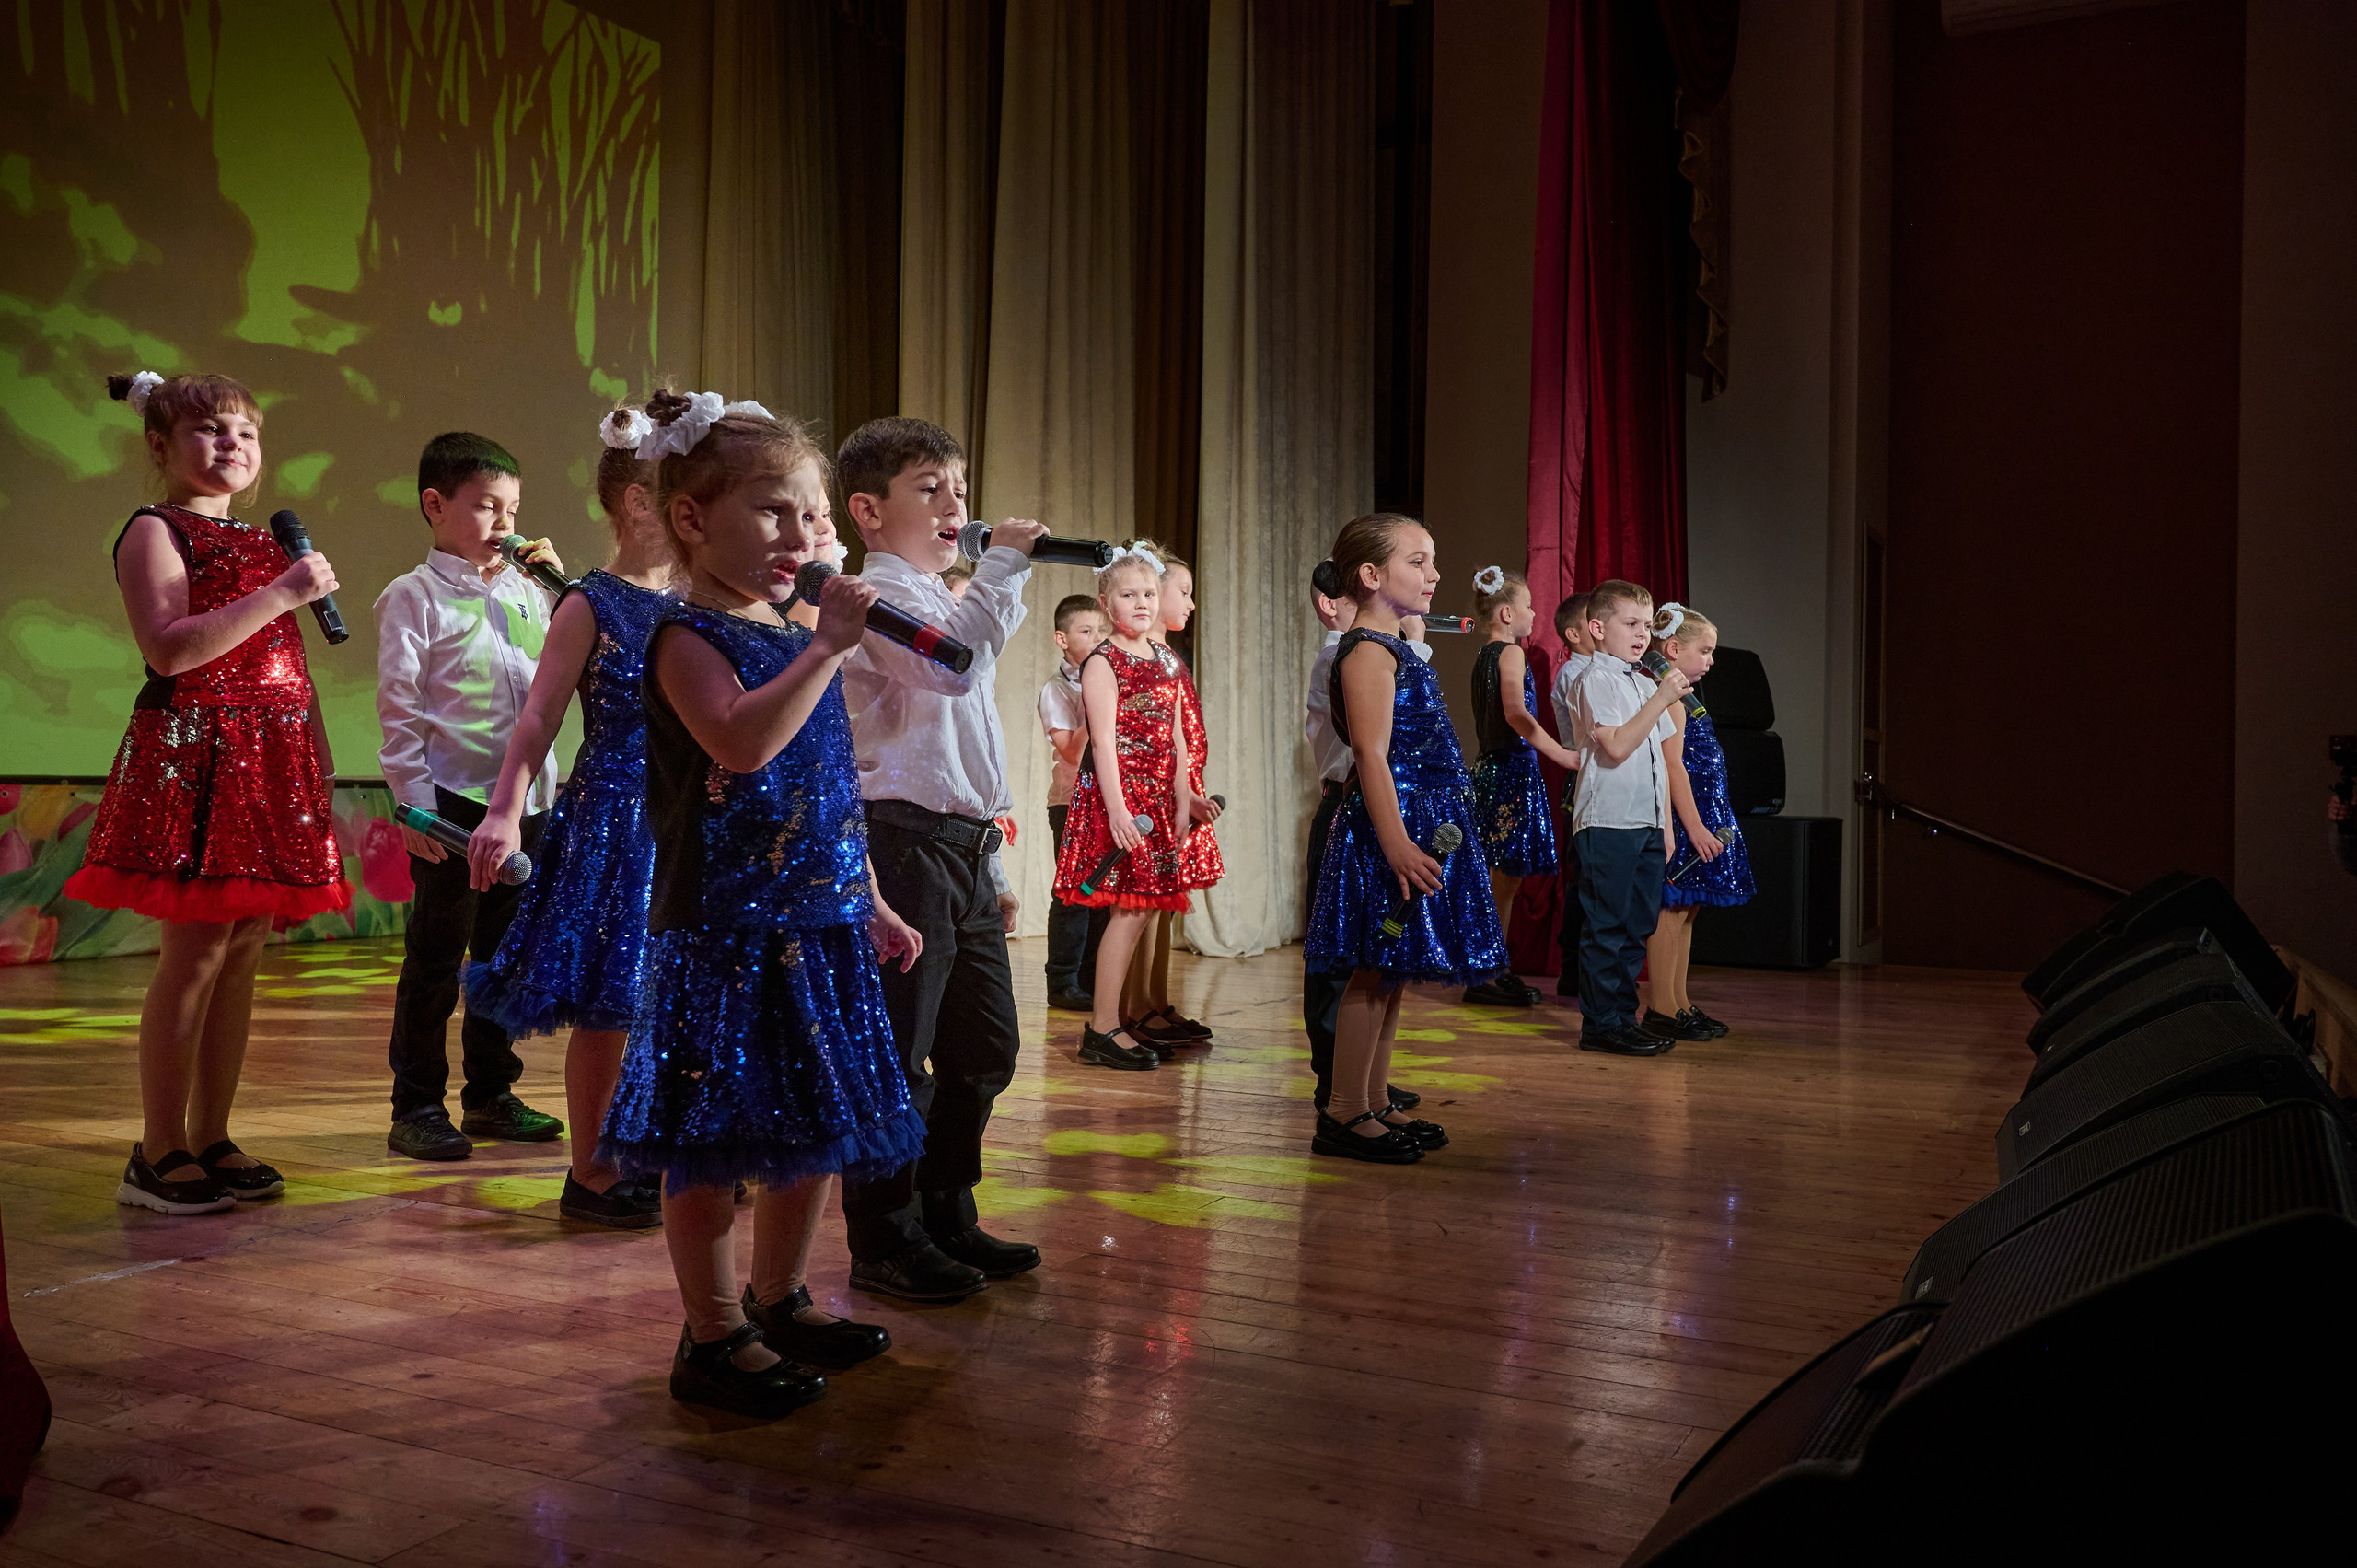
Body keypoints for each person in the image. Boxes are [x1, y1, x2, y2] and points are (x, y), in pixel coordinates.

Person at [598, 390, 921, 1420]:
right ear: (692, 520)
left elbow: (830, 782)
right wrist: (825, 648)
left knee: (812, 1121)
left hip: (817, 915)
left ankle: (779, 1295)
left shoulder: (791, 631)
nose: (802, 536)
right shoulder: (683, 637)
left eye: (811, 515)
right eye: (776, 511)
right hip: (723, 928)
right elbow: (739, 742)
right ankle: (710, 1330)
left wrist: (867, 896)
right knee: (711, 1141)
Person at [69, 371, 350, 1214]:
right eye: (210, 431)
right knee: (193, 955)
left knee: (243, 952)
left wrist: (320, 755)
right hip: (196, 752)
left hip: (270, 756)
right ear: (160, 446)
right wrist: (281, 594)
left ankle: (212, 1134)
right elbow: (171, 650)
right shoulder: (156, 530)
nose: (232, 445)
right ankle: (156, 1150)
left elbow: (284, 663)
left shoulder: (272, 545)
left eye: (246, 434)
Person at [835, 417, 1048, 1301]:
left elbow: (971, 744)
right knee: (902, 1051)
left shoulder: (948, 595)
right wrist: (1002, 565)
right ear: (868, 511)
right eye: (931, 488)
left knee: (985, 1043)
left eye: (960, 487)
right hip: (902, 842)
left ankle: (945, 1208)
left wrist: (991, 865)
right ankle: (884, 1235)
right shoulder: (870, 598)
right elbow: (952, 670)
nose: (956, 504)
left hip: (960, 849)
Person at [459, 406, 676, 1227]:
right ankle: (590, 1172)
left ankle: (656, 1147)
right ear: (639, 504)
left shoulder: (699, 604)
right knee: (610, 999)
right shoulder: (591, 600)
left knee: (671, 993)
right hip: (616, 815)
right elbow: (539, 717)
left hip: (685, 818)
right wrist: (506, 814)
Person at [375, 433, 569, 1160]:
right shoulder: (412, 596)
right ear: (435, 505)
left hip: (524, 805)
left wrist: (561, 587)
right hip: (452, 803)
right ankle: (416, 1104)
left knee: (503, 957)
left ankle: (491, 1093)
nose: (506, 524)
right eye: (488, 506)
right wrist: (413, 800)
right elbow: (400, 707)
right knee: (436, 955)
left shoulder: (531, 592)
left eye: (514, 508)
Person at [1303, 514, 1499, 1163]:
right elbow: (1370, 754)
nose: (1434, 574)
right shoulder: (1363, 650)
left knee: (1390, 974)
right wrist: (1393, 844)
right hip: (1389, 828)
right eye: (1418, 561)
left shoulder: (1391, 647)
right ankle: (1342, 1111)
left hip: (1417, 821)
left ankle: (1374, 1097)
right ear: (1371, 574)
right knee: (1371, 967)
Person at [1052, 546, 1223, 1070]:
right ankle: (1102, 1026)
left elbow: (1173, 737)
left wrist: (1181, 798)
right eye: (1129, 595)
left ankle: (1124, 1019)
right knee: (1127, 911)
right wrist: (1119, 811)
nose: (1143, 603)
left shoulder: (1167, 659)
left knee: (1147, 906)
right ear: (1108, 605)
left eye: (1150, 593)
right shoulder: (1105, 661)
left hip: (1157, 797)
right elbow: (1102, 743)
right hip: (1119, 799)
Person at [1303, 576, 1425, 1116]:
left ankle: (1364, 1086)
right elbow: (1372, 748)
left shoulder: (1392, 652)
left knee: (1382, 957)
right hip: (1351, 806)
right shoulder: (1346, 654)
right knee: (1343, 960)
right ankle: (1339, 1087)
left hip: (1387, 808)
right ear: (1336, 605)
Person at [1567, 580, 1691, 1057]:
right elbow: (1616, 746)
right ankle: (1599, 1023)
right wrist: (1660, 699)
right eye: (1631, 623)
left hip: (1644, 822)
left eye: (1647, 624)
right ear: (1597, 628)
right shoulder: (1595, 679)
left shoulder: (1641, 681)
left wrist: (1664, 827)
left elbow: (1658, 760)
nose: (1643, 634)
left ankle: (1622, 1016)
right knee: (1608, 923)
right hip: (1608, 819)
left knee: (1637, 923)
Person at [1118, 545, 1224, 1051]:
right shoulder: (1137, 660)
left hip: (1173, 795)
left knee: (1163, 901)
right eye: (1182, 591)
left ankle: (1154, 1001)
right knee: (1144, 902)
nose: (1189, 602)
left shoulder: (1168, 659)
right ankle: (1134, 1007)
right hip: (1149, 797)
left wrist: (1190, 793)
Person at [1463, 566, 1581, 1009]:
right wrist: (1564, 755)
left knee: (1501, 879)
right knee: (1503, 880)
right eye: (1529, 605)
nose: (1535, 613)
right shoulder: (1510, 655)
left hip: (1493, 769)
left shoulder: (1485, 655)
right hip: (1511, 772)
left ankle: (1492, 967)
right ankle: (1487, 972)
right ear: (1508, 613)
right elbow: (1516, 713)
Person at [1643, 603, 1751, 1040]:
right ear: (1672, 649)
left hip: (1703, 813)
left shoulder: (1687, 697)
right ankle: (1661, 1007)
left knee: (1688, 909)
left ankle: (1680, 1001)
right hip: (1686, 819)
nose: (1711, 661)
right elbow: (1673, 768)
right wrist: (1694, 827)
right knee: (1671, 908)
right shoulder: (1668, 701)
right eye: (1704, 651)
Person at [1039, 594, 1110, 1013]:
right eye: (1087, 632)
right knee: (1074, 893)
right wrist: (1093, 703)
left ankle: (1092, 979)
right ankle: (1062, 981)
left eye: (1102, 630)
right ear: (1061, 639)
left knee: (1104, 894)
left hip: (1109, 804)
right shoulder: (1057, 689)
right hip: (1070, 802)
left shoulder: (1110, 676)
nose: (1098, 638)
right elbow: (1070, 752)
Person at [1550, 591, 1595, 1001]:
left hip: (1596, 779)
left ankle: (1588, 970)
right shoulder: (1575, 674)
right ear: (1574, 633)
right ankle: (1573, 970)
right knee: (1582, 876)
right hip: (1582, 780)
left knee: (1592, 876)